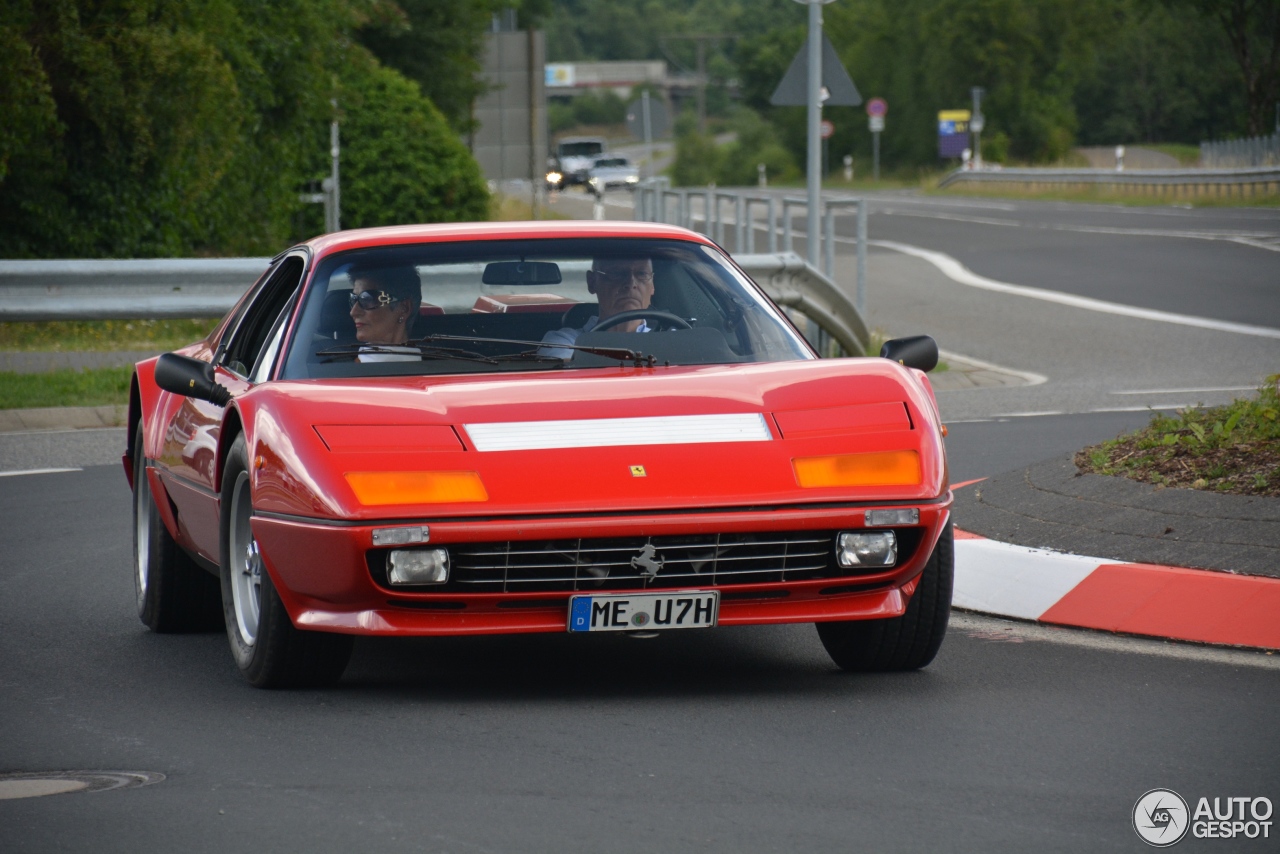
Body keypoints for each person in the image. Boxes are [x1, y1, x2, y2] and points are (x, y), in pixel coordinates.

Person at [540, 256, 654, 358]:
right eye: (617, 273)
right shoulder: (565, 341)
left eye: (642, 274)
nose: (631, 283)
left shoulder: (669, 337)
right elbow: (565, 377)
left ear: (652, 286)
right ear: (592, 282)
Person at [347, 264, 422, 362]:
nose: (353, 312)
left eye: (367, 299)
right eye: (353, 299)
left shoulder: (440, 370)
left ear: (404, 308)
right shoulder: (332, 369)